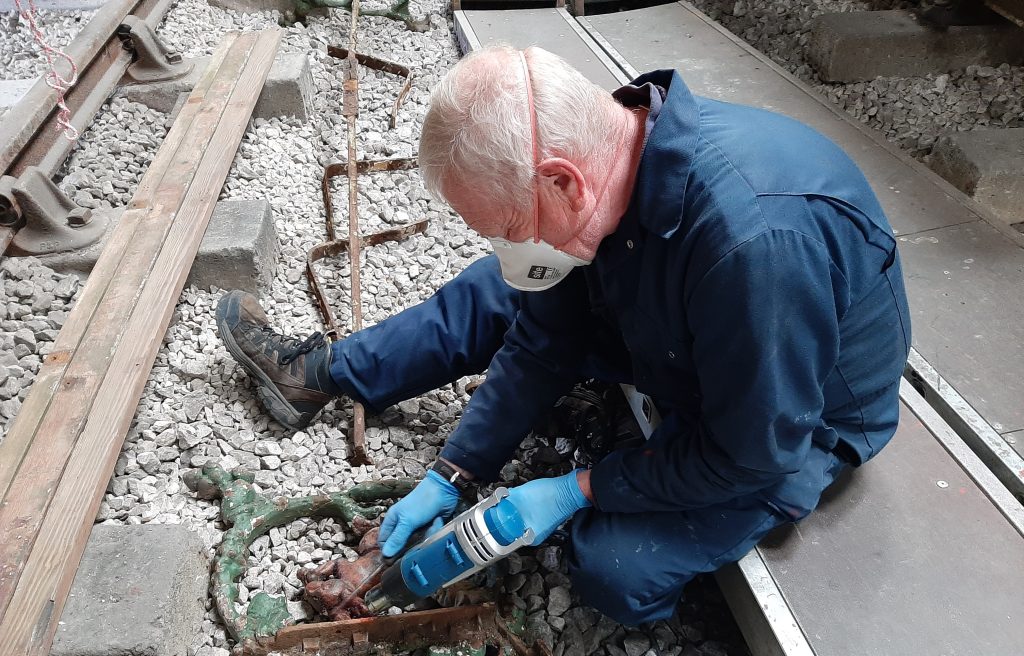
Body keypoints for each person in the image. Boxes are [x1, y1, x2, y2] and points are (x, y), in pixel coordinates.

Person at [216, 44, 911, 626]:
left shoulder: (753, 247)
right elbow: (541, 338)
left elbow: (752, 453)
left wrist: (580, 488)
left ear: (563, 181)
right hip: (690, 337)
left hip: (791, 418)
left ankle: (642, 457)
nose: (499, 240)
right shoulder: (610, 161)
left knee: (615, 572)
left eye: (503, 224)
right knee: (507, 287)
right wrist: (454, 474)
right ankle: (321, 373)